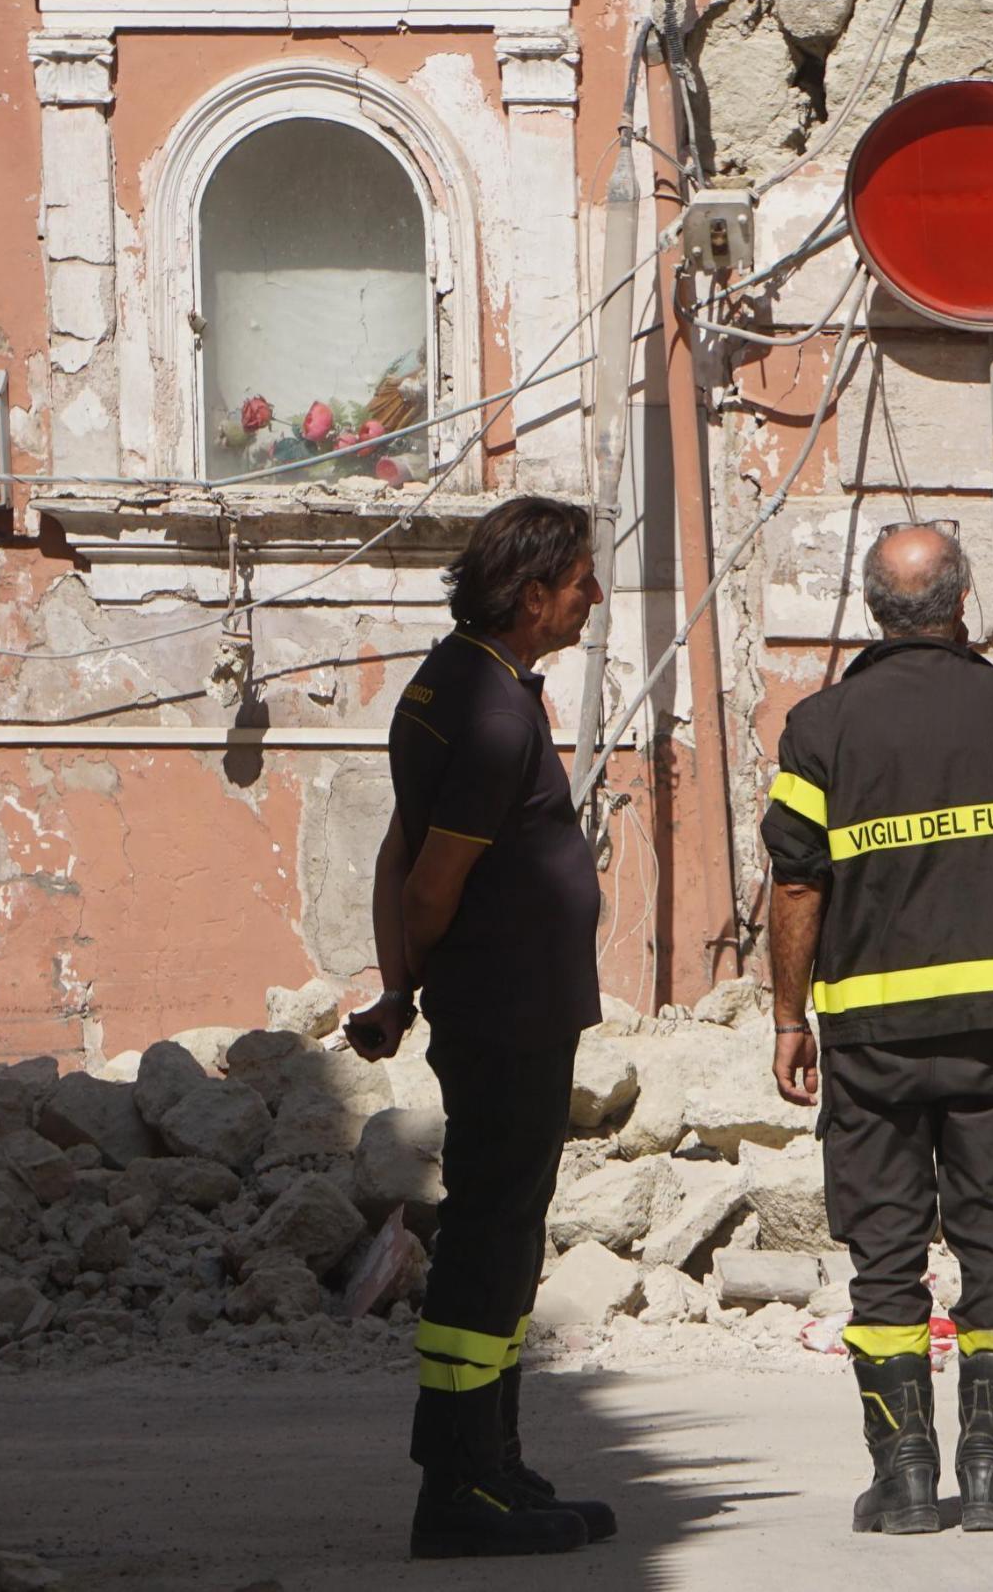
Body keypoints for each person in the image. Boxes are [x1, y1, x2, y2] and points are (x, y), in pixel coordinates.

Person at [761, 521, 993, 1537]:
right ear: (962, 601)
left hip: (874, 1034)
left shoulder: (822, 729)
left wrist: (786, 1014)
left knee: (886, 1251)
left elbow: (797, 881)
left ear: (872, 608)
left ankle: (903, 1478)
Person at [344, 496, 619, 1561]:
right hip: (505, 1013)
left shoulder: (457, 682)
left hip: (511, 1007)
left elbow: (395, 853)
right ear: (532, 590)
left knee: (508, 1231)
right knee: (494, 1236)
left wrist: (399, 987)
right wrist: (406, 989)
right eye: (582, 578)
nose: (593, 595)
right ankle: (458, 1481)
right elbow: (430, 881)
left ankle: (493, 1459)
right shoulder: (496, 712)